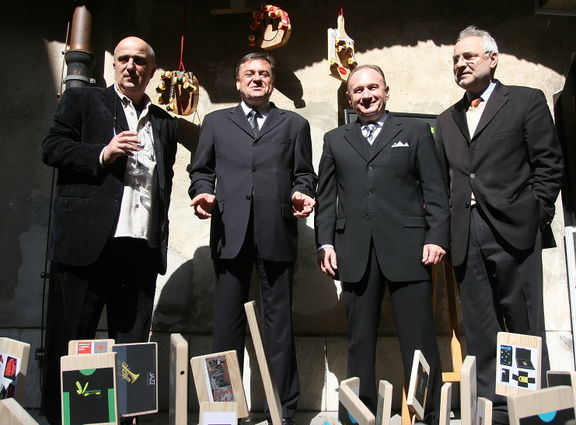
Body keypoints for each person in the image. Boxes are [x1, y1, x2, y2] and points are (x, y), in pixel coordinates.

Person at [41, 36, 178, 424]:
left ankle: (126, 419)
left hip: (139, 248)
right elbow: (52, 149)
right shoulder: (83, 101)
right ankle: (64, 419)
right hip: (86, 246)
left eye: (139, 61)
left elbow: (162, 183)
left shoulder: (165, 123)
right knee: (71, 341)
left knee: (133, 347)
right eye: (123, 59)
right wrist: (102, 153)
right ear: (113, 65)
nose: (131, 66)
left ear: (151, 71)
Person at [435, 26, 563, 424]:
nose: (460, 64)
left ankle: (527, 407)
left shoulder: (525, 101)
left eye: (469, 56)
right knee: (480, 323)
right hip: (466, 234)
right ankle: (494, 408)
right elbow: (445, 180)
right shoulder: (447, 118)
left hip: (514, 230)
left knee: (521, 321)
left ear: (493, 58)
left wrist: (536, 212)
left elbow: (549, 164)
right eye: (456, 59)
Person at [315, 64, 449, 423]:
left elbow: (435, 190)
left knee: (419, 341)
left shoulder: (417, 131)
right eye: (358, 91)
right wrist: (324, 243)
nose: (366, 95)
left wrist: (436, 237)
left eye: (373, 88)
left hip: (410, 249)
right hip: (355, 252)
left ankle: (429, 414)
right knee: (359, 343)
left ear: (387, 91)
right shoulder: (335, 139)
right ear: (349, 98)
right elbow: (326, 198)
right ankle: (358, 416)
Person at [188, 52, 316, 424]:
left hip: (276, 233)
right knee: (226, 327)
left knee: (279, 326)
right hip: (230, 233)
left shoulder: (293, 124)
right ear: (238, 81)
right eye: (250, 74)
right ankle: (221, 411)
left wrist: (303, 193)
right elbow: (201, 170)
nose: (257, 79)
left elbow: (304, 174)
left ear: (272, 81)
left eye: (263, 74)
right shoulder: (215, 122)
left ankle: (283, 411)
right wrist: (202, 192)